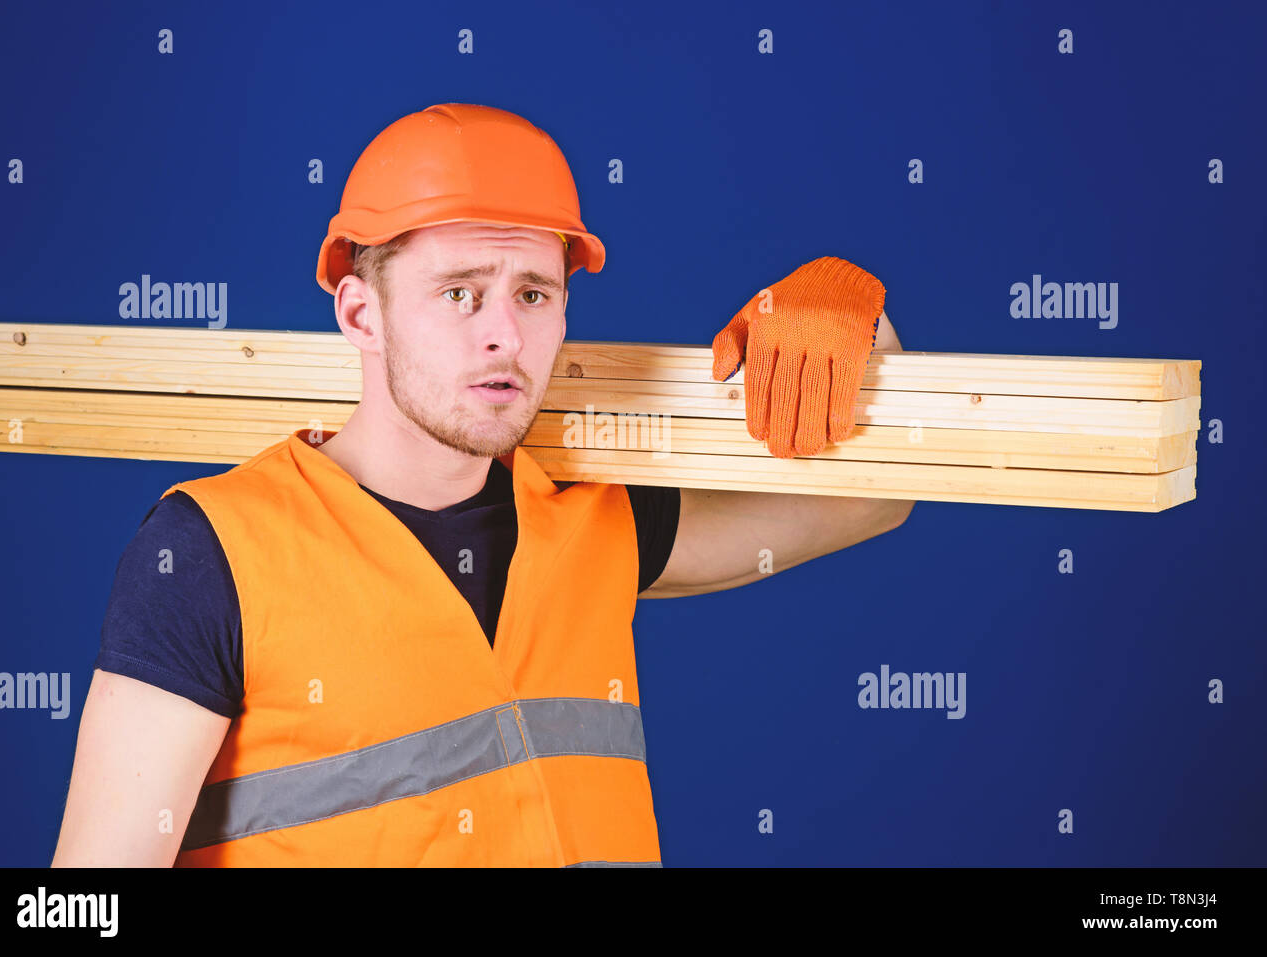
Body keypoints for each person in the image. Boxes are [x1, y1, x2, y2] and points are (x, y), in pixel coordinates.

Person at [52, 103, 911, 867]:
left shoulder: (594, 518)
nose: (505, 334)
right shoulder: (212, 554)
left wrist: (861, 329)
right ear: (361, 313)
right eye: (460, 293)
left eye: (534, 293)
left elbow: (873, 495)